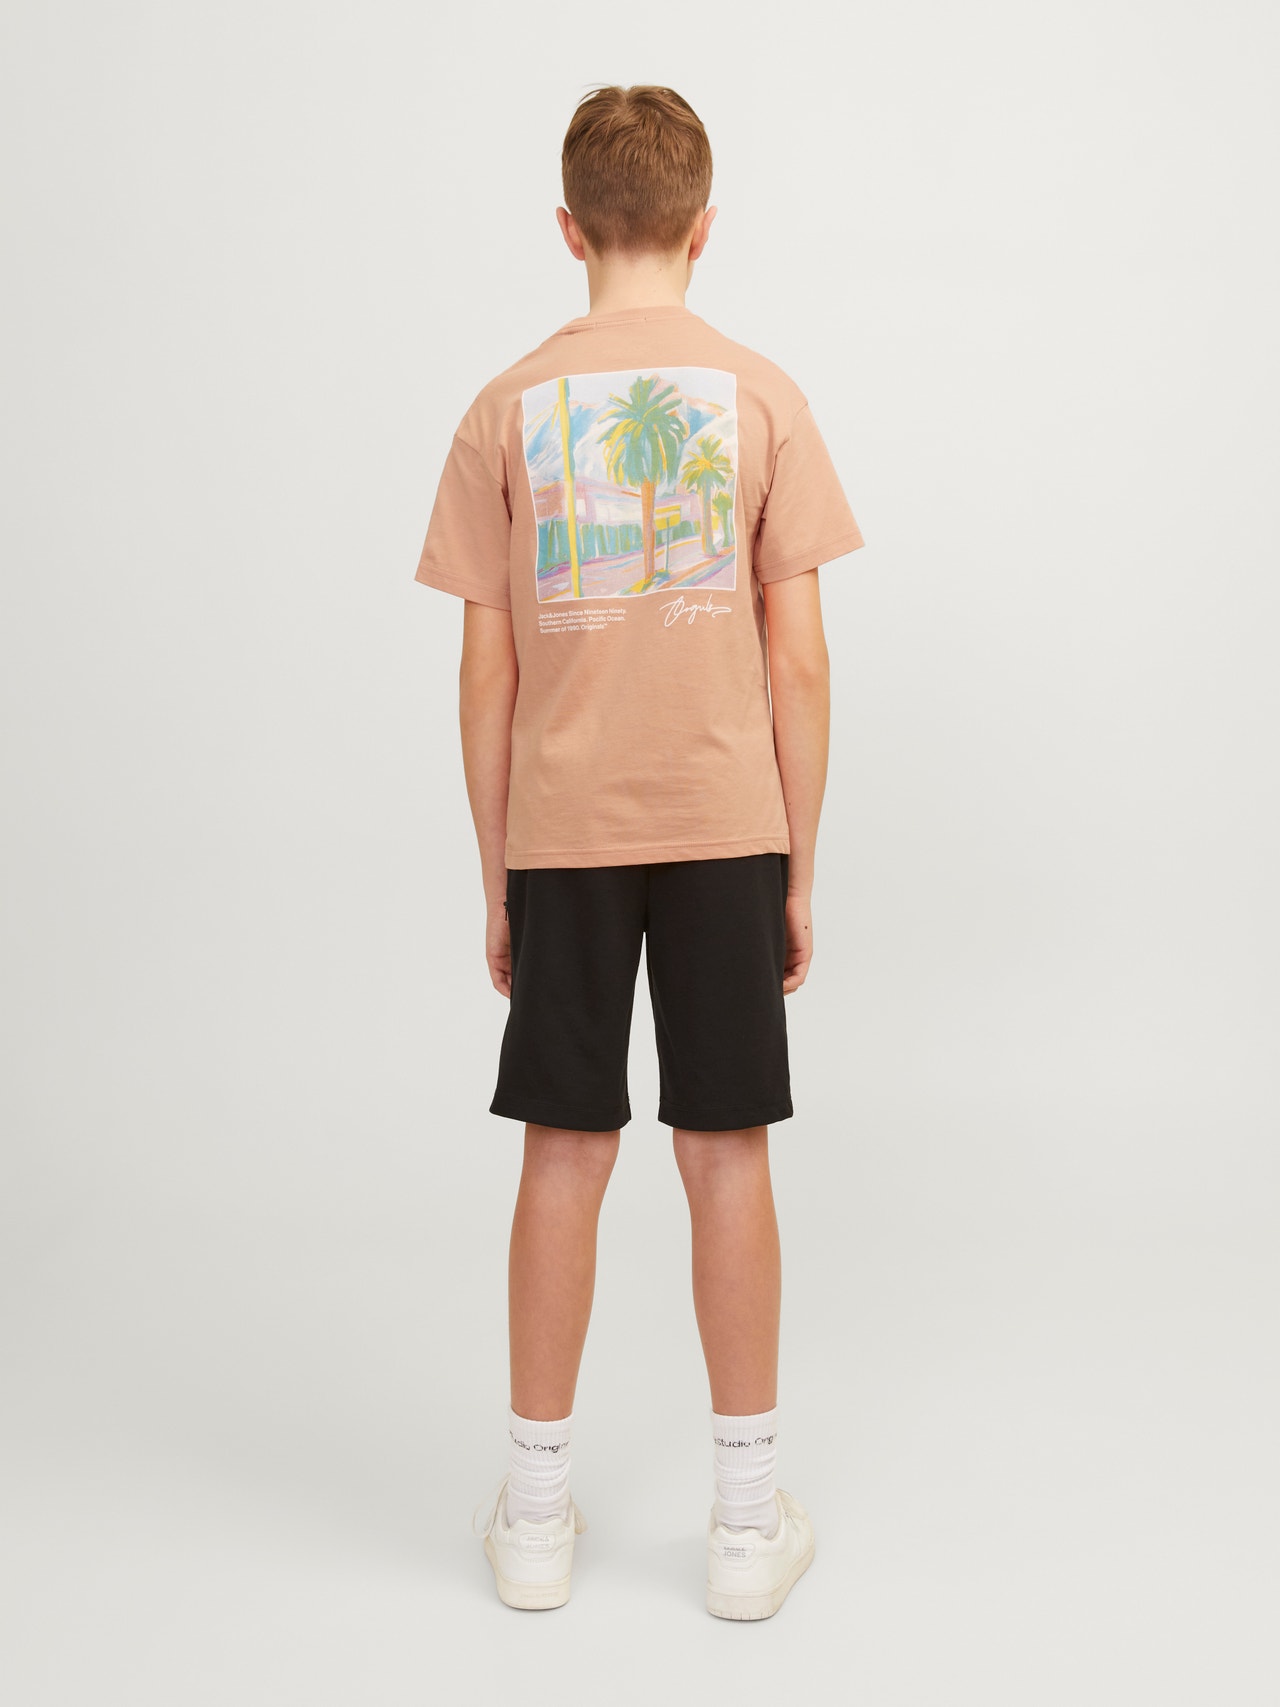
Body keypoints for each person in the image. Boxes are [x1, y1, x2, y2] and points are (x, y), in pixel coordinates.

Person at [411, 84, 865, 1619]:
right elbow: (799, 661)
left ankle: (536, 1517)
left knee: (564, 1147)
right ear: (704, 226)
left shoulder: (502, 409)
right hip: (727, 824)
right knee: (724, 1151)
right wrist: (799, 864)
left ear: (568, 229)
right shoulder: (762, 396)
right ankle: (744, 1524)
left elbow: (485, 671)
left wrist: (499, 874)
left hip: (566, 837)